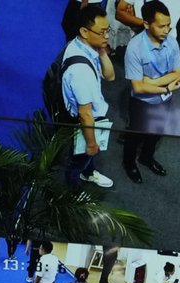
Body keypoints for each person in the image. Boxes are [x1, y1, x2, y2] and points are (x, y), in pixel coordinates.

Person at [121, 1, 180, 184]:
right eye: (161, 26)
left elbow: (178, 73)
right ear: (146, 24)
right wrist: (166, 87)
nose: (166, 30)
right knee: (135, 135)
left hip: (164, 100)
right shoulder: (135, 48)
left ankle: (146, 158)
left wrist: (151, 82)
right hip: (142, 102)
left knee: (156, 132)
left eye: (168, 25)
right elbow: (138, 87)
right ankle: (129, 163)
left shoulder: (171, 42)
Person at [61, 5, 117, 189]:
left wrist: (102, 51)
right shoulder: (81, 72)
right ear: (84, 32)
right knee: (79, 160)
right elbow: (85, 114)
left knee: (86, 158)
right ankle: (73, 192)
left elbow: (110, 76)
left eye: (107, 30)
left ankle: (89, 173)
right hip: (83, 121)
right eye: (101, 32)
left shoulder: (82, 45)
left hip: (89, 115)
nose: (107, 36)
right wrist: (91, 143)